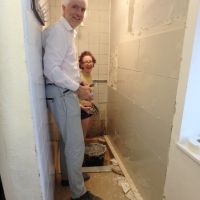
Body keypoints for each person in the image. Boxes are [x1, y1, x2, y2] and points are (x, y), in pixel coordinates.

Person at [42, 0, 102, 199]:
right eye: (75, 7)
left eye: (83, 9)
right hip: (63, 94)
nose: (79, 12)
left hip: (62, 93)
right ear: (63, 8)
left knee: (68, 141)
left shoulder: (66, 32)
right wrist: (78, 89)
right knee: (76, 144)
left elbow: (64, 67)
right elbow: (50, 69)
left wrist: (80, 86)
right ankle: (79, 194)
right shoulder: (60, 32)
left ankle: (69, 177)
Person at [79, 51, 97, 138]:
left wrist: (91, 95)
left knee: (85, 132)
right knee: (82, 134)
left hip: (87, 107)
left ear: (93, 63)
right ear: (81, 65)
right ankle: (81, 150)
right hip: (81, 109)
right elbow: (72, 94)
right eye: (86, 62)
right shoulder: (79, 76)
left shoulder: (89, 75)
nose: (89, 63)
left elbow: (89, 91)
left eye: (90, 61)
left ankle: (84, 146)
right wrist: (80, 105)